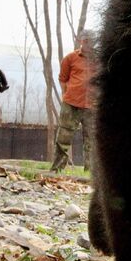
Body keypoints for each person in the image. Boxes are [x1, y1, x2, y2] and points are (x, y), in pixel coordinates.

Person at [50, 31, 95, 172]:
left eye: (91, 41)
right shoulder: (70, 58)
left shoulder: (100, 59)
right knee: (63, 138)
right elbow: (63, 78)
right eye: (86, 40)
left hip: (92, 106)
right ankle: (57, 169)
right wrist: (66, 95)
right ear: (80, 40)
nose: (88, 43)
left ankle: (91, 172)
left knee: (92, 141)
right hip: (71, 104)